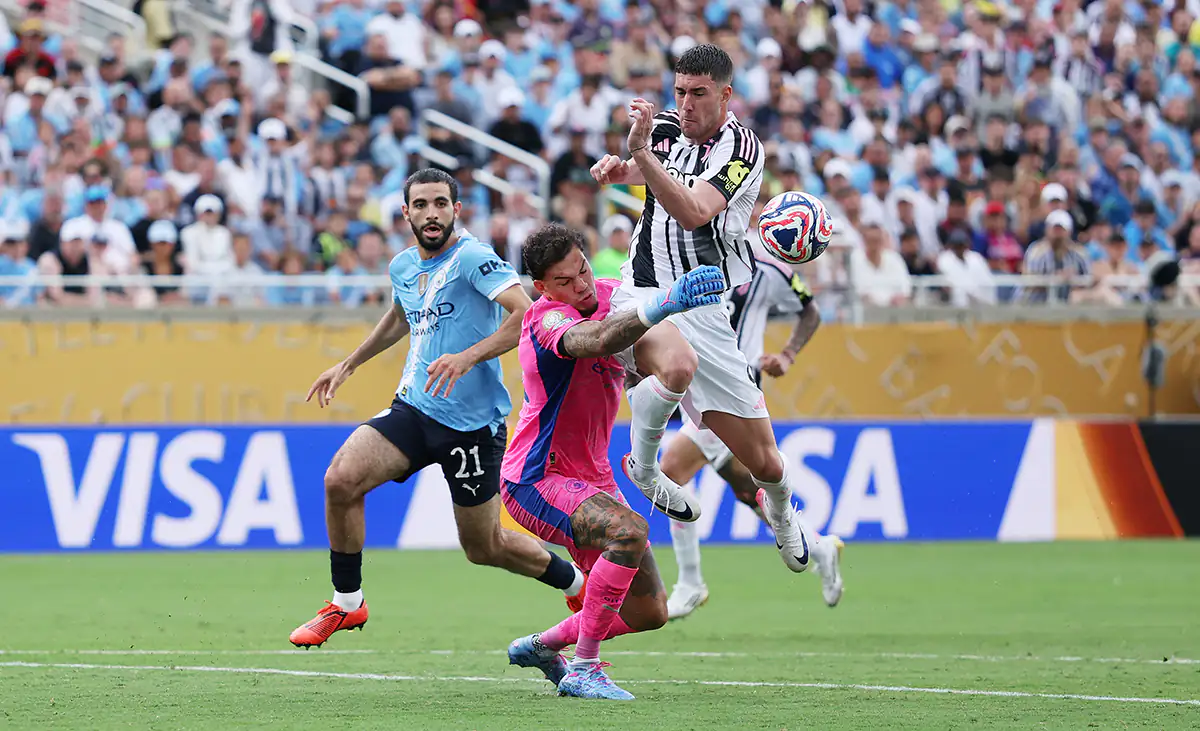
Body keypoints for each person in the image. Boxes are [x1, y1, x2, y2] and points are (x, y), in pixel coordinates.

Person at [288, 169, 585, 648]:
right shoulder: (404, 266)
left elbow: (526, 314)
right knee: (340, 480)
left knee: (484, 547)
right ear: (406, 213)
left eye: (441, 204)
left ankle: (575, 584)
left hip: (472, 428)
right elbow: (400, 317)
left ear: (456, 210)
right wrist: (349, 364)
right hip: (414, 408)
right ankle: (346, 603)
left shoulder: (473, 258)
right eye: (421, 205)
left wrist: (468, 357)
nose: (432, 214)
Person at [590, 44, 816, 575]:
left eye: (698, 94)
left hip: (701, 303)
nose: (686, 105)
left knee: (764, 461)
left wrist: (640, 154)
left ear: (725, 95)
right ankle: (644, 469)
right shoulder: (666, 130)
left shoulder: (744, 150)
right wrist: (618, 168)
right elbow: (643, 173)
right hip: (641, 290)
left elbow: (693, 211)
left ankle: (783, 514)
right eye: (679, 93)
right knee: (669, 365)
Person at [502, 224, 723, 700]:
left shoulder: (611, 293)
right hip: (538, 477)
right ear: (541, 287)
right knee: (628, 530)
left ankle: (544, 647)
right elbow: (596, 341)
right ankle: (584, 669)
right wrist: (660, 305)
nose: (580, 284)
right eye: (564, 280)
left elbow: (645, 348)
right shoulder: (545, 320)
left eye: (582, 268)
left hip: (592, 478)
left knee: (649, 612)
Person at [660, 254, 845, 620]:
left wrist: (788, 355)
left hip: (733, 391)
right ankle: (819, 548)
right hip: (697, 388)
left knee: (670, 471)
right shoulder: (687, 255)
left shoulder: (767, 268)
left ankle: (691, 583)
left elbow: (811, 310)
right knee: (748, 489)